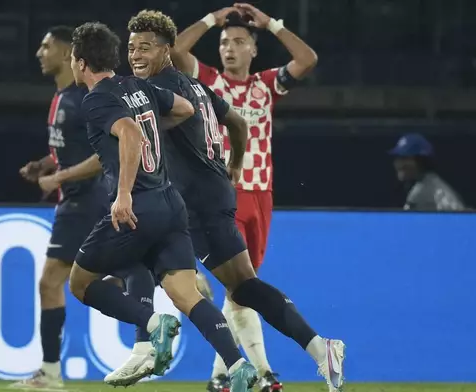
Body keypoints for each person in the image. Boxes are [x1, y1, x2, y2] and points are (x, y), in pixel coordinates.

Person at [53, 11, 343, 392]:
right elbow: (238, 123)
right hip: (212, 195)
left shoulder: (149, 91)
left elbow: (130, 138)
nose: (136, 56)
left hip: (192, 203)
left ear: (167, 50)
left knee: (133, 258)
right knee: (241, 288)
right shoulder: (194, 87)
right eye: (131, 48)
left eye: (146, 48)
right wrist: (233, 166)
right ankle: (319, 348)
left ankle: (147, 343)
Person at [67, 21, 258, 392]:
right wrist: (156, 123)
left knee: (80, 282)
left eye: (73, 59)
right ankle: (237, 365)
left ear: (82, 63)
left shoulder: (98, 98)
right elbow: (186, 109)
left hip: (139, 204)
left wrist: (123, 194)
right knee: (186, 293)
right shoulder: (139, 86)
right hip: (172, 203)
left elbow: (130, 133)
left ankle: (151, 325)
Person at [169, 5, 330, 391]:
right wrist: (213, 19)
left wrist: (270, 23)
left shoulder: (267, 85)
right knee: (240, 286)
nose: (229, 48)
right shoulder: (207, 81)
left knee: (241, 291)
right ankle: (263, 373)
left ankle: (221, 376)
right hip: (226, 192)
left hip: (263, 196)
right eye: (225, 42)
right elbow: (175, 51)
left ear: (253, 50)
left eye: (239, 42)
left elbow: (307, 59)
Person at [13, 26, 114, 389]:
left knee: (52, 282)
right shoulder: (61, 97)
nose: (40, 52)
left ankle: (51, 374)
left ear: (68, 51)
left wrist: (59, 177)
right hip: (78, 198)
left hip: (86, 199)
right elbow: (68, 148)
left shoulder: (82, 99)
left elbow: (106, 154)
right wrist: (47, 164)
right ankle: (167, 271)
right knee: (78, 280)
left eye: (46, 46)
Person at [390, 133, 465, 211]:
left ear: (421, 162)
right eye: (398, 158)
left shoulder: (423, 191)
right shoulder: (430, 183)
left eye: (404, 158)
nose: (398, 164)